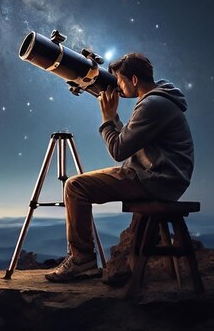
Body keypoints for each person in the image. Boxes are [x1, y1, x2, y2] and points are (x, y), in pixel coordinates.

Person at [45, 52, 194, 282]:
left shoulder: (151, 105)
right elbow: (130, 141)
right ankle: (125, 263)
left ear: (134, 80)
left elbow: (118, 151)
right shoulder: (159, 99)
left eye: (120, 81)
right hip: (166, 177)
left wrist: (107, 117)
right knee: (82, 184)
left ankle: (81, 261)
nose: (118, 87)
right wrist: (114, 120)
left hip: (156, 179)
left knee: (75, 186)